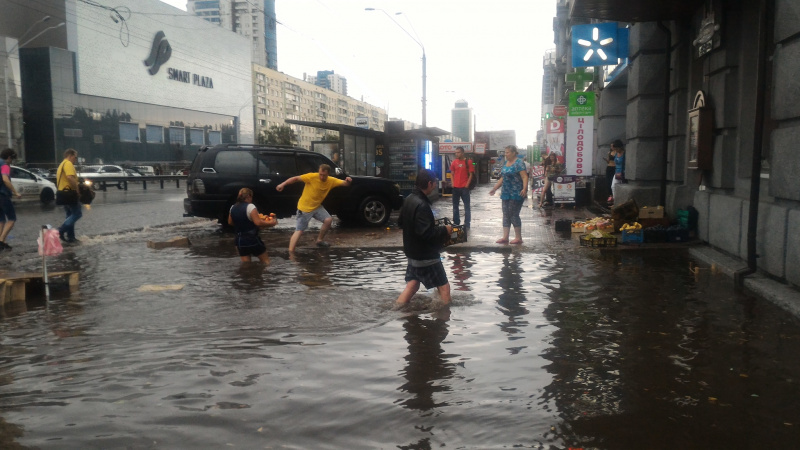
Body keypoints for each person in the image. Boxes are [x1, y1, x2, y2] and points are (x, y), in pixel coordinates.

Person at [395, 169, 453, 307]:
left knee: (413, 285)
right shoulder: (422, 205)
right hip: (426, 256)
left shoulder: (409, 199)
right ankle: (444, 319)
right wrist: (445, 229)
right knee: (444, 288)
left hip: (412, 254)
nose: (435, 187)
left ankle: (396, 309)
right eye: (434, 184)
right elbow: (427, 234)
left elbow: (400, 223)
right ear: (429, 183)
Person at [277, 164, 352, 252]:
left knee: (328, 220)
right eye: (320, 174)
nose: (321, 177)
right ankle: (291, 252)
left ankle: (319, 240)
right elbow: (295, 179)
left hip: (316, 207)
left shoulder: (331, 181)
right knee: (299, 230)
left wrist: (348, 181)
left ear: (328, 174)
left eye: (324, 175)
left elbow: (345, 184)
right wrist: (283, 184)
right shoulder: (312, 177)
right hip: (304, 208)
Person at [489, 145, 528, 245]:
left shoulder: (519, 163)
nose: (506, 154)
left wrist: (524, 188)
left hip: (516, 192)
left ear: (514, 153)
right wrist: (494, 188)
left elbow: (524, 176)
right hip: (506, 192)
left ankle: (518, 237)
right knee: (506, 214)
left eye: (508, 152)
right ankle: (505, 237)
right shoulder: (506, 163)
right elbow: (502, 178)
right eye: (505, 152)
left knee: (513, 214)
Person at [227, 187, 275, 263]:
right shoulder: (250, 207)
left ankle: (248, 274)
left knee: (246, 265)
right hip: (252, 239)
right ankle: (266, 275)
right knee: (266, 262)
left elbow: (230, 222)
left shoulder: (233, 207)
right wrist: (271, 223)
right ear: (249, 196)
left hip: (239, 241)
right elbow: (258, 223)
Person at [57, 148, 82, 244]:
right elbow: (70, 177)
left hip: (63, 193)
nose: (75, 160)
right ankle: (61, 230)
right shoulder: (68, 164)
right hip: (69, 193)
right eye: (75, 157)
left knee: (69, 215)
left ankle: (71, 237)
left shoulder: (61, 164)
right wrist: (77, 189)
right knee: (77, 213)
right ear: (70, 156)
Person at [0, 148, 22, 250]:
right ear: (9, 158)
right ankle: (1, 241)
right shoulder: (4, 165)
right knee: (12, 219)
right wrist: (15, 191)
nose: (12, 161)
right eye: (12, 159)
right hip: (3, 195)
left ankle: (2, 241)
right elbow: (5, 180)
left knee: (1, 220)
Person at [449, 146, 474, 229]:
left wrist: (467, 185)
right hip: (455, 188)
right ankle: (456, 222)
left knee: (466, 206)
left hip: (464, 188)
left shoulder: (468, 162)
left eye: (458, 152)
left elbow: (471, 174)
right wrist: (452, 183)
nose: (457, 154)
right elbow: (452, 174)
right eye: (456, 152)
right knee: (455, 206)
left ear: (462, 153)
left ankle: (467, 224)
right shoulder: (454, 162)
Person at [610, 139, 626, 204]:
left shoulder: (625, 154)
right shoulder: (616, 153)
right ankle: (615, 201)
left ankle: (621, 202)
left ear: (620, 147)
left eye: (617, 148)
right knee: (613, 186)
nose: (616, 150)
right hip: (617, 172)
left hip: (622, 172)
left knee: (622, 187)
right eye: (615, 149)